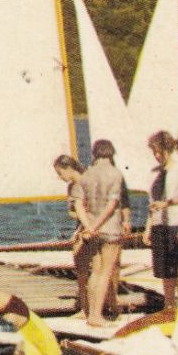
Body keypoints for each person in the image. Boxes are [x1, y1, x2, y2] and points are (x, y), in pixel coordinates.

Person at [74, 139, 126, 328]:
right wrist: (96, 225)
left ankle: (91, 313)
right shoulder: (115, 174)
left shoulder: (86, 175)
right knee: (105, 272)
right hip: (110, 229)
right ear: (111, 154)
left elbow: (78, 203)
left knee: (95, 272)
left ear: (95, 154)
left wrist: (89, 225)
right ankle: (96, 315)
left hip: (93, 230)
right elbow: (112, 206)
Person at [144, 131, 178, 310]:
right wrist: (147, 228)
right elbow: (152, 204)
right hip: (159, 223)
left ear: (168, 149)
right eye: (154, 153)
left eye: (159, 152)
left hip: (175, 223)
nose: (157, 156)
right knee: (165, 270)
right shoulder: (155, 173)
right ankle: (169, 304)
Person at [54, 155, 96, 317]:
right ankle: (84, 305)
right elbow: (72, 211)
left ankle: (90, 307)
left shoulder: (86, 182)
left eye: (60, 173)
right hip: (81, 226)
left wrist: (84, 220)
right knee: (81, 267)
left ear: (69, 169)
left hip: (91, 227)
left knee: (92, 269)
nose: (59, 177)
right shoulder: (72, 187)